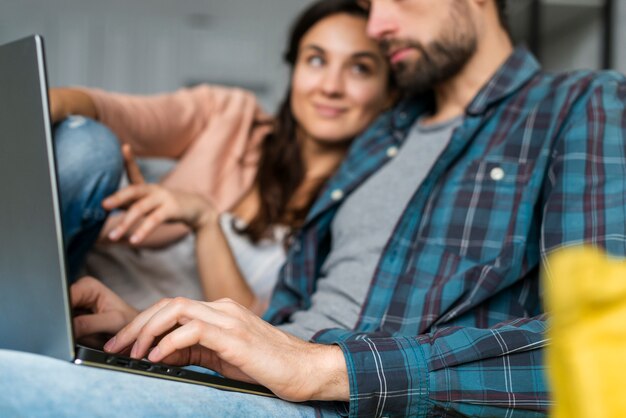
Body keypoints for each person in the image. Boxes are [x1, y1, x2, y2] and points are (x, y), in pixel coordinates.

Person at [1, 0, 625, 416]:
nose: (377, 23)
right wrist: (158, 329)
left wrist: (326, 369)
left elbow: (607, 344)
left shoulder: (578, 105)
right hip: (265, 379)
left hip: (335, 399)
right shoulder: (381, 139)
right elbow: (287, 317)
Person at [49, 0, 395, 312]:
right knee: (88, 143)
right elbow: (114, 112)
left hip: (142, 339)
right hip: (75, 270)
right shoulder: (232, 116)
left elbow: (262, 339)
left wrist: (205, 222)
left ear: (390, 93)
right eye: (316, 60)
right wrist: (43, 104)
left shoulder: (363, 210)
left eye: (360, 68)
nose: (330, 86)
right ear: (294, 70)